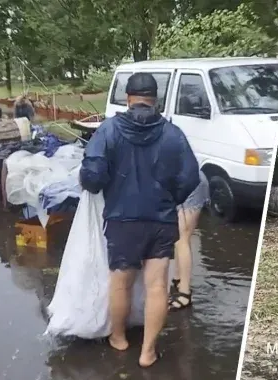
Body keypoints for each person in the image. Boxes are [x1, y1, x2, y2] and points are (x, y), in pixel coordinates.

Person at [79, 72, 200, 368]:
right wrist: (171, 196)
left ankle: (118, 338)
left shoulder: (107, 131)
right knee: (158, 285)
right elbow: (191, 177)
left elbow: (92, 178)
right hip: (161, 219)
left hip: (122, 221)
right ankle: (148, 351)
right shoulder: (174, 134)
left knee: (121, 283)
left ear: (128, 98)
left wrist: (97, 180)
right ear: (154, 99)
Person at [169, 170, 210, 310]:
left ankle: (185, 293)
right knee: (177, 235)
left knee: (182, 238)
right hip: (179, 182)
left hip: (189, 185)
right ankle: (177, 279)